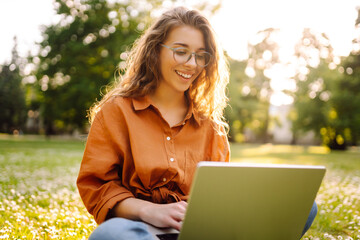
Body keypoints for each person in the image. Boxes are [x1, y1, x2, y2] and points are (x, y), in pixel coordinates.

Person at [76, 6, 317, 240]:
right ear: (155, 50)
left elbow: (219, 195)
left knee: (304, 206)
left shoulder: (211, 126)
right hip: (142, 230)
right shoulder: (117, 111)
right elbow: (98, 187)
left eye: (201, 55)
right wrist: (150, 211)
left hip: (201, 232)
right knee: (110, 235)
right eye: (180, 51)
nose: (192, 64)